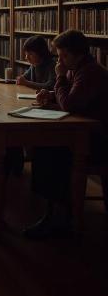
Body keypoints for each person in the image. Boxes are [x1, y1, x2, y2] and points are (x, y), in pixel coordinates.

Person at [25, 30, 108, 239]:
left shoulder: (90, 72)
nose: (59, 61)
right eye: (59, 55)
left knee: (50, 151)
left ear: (78, 53)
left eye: (63, 56)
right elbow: (69, 97)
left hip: (98, 140)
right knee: (45, 147)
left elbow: (70, 104)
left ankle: (59, 217)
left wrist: (60, 79)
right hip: (82, 133)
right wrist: (51, 95)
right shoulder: (76, 68)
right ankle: (55, 212)